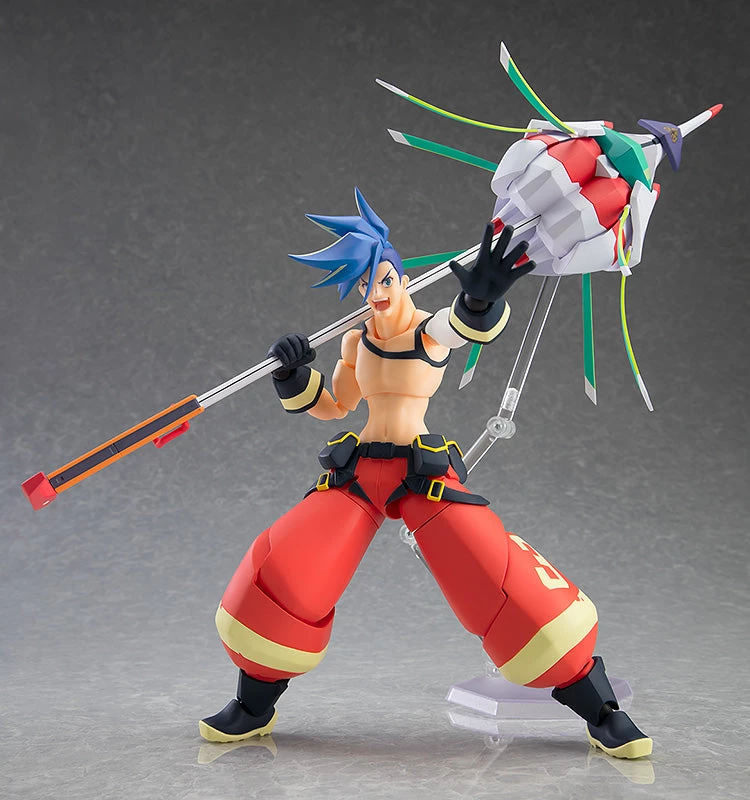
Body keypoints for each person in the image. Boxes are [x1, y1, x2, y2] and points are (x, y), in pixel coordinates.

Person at [199, 188, 652, 759]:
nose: (376, 294)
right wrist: (290, 375)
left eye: (384, 279)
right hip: (359, 472)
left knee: (499, 580)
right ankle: (253, 706)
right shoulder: (354, 339)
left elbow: (464, 326)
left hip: (420, 473)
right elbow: (333, 406)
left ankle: (601, 710)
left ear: (402, 276)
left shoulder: (427, 329)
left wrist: (480, 300)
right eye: (365, 287)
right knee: (288, 573)